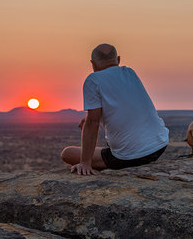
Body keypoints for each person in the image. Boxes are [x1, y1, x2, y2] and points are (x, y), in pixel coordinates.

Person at [61, 44, 169, 175]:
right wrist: (90, 117)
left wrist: (85, 162)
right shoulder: (129, 73)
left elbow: (93, 123)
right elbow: (127, 105)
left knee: (67, 153)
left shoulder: (93, 80)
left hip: (130, 156)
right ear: (118, 59)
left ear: (92, 64)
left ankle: (96, 160)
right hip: (159, 146)